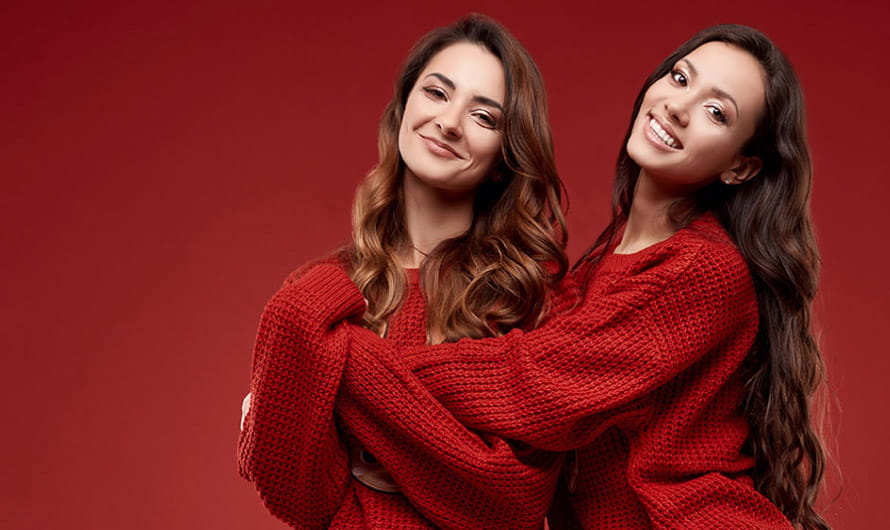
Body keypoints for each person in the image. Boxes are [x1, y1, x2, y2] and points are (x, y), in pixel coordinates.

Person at [275, 24, 831, 529]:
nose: (679, 107)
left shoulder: (701, 270)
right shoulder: (599, 265)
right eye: (680, 77)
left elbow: (531, 382)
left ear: (741, 166)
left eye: (718, 112)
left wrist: (322, 366)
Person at [238, 15, 576, 529]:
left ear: (504, 159)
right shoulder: (322, 292)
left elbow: (513, 497)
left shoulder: (532, 295)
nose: (449, 122)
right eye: (437, 93)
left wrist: (356, 403)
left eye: (484, 118)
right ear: (403, 110)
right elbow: (296, 495)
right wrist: (436, 449)